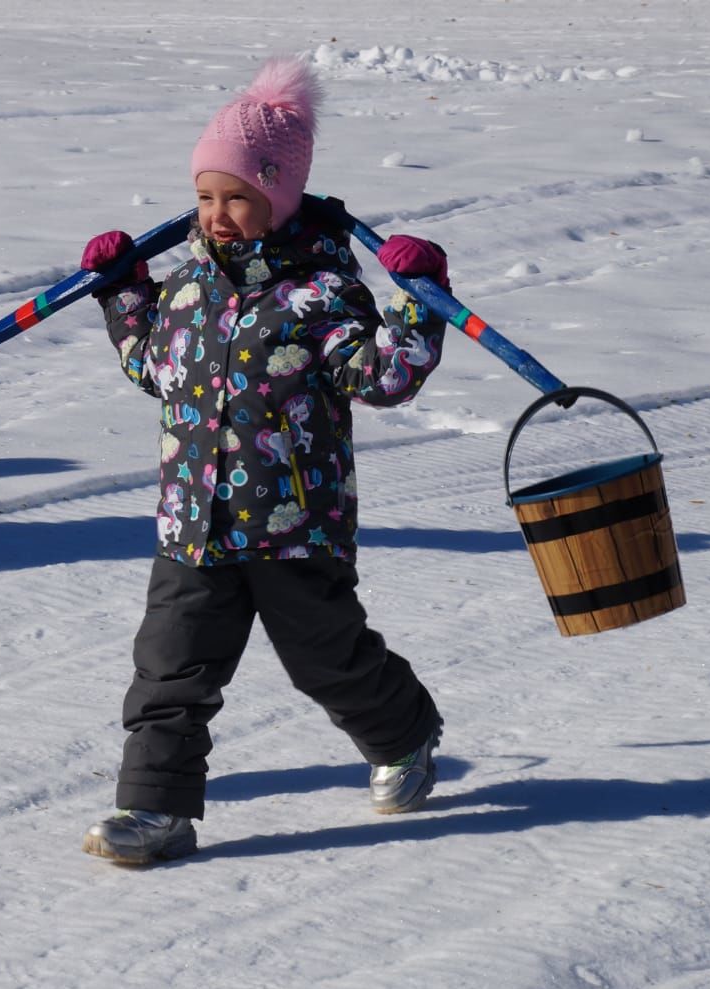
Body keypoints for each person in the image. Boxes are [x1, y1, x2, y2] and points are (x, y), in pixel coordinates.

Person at [79, 57, 452, 864]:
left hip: (291, 523)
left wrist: (417, 307)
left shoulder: (319, 294)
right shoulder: (186, 290)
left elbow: (382, 376)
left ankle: (407, 731)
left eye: (237, 197)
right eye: (207, 196)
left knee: (328, 661)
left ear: (279, 197)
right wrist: (124, 292)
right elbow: (153, 367)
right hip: (193, 527)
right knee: (168, 672)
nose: (216, 215)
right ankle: (154, 811)